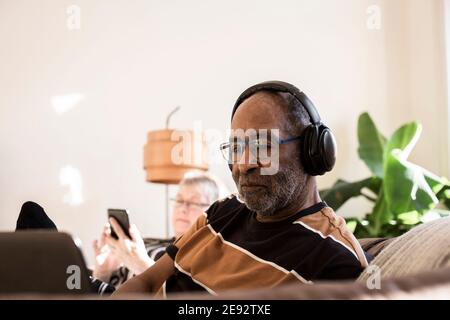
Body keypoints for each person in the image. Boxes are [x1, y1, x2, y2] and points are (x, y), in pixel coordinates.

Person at [113, 81, 369, 297]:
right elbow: (147, 282)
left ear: (310, 152)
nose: (244, 163)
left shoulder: (334, 259)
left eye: (263, 145)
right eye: (236, 147)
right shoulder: (222, 211)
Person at [91, 171, 220, 293]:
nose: (183, 209)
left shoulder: (204, 255)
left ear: (211, 210)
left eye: (194, 202)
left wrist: (141, 265)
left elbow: (187, 298)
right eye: (179, 200)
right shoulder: (144, 243)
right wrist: (103, 272)